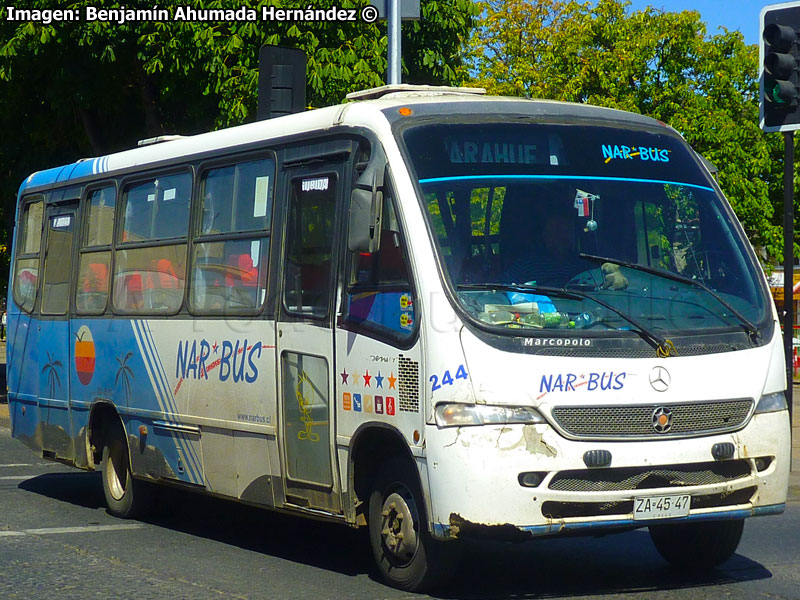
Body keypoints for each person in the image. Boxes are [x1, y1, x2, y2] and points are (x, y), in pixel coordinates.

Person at [503, 210, 591, 288]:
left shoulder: (583, 266)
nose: (561, 237)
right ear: (545, 235)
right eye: (557, 231)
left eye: (566, 231)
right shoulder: (528, 264)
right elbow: (501, 288)